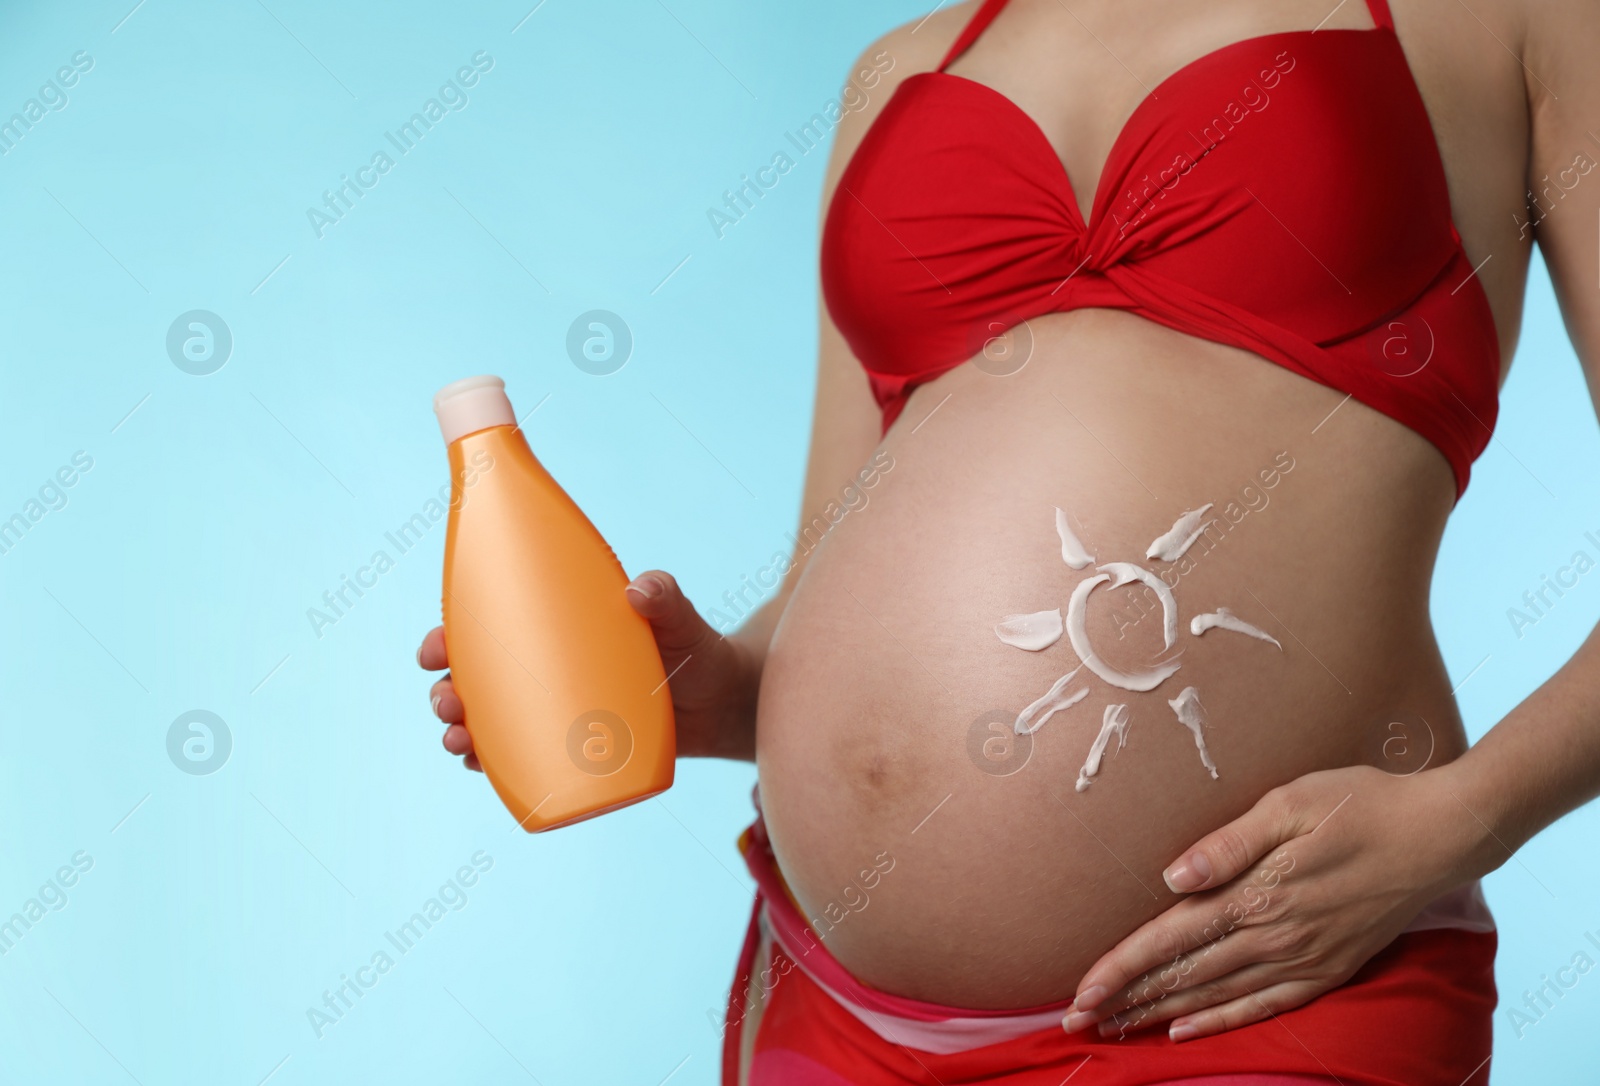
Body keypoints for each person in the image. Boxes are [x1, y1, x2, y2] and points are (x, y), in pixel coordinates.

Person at [419, 0, 1600, 1080]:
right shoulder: (902, 72)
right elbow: (828, 550)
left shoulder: (1507, 19)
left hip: (1259, 992)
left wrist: (1461, 817)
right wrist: (716, 689)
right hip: (835, 1008)